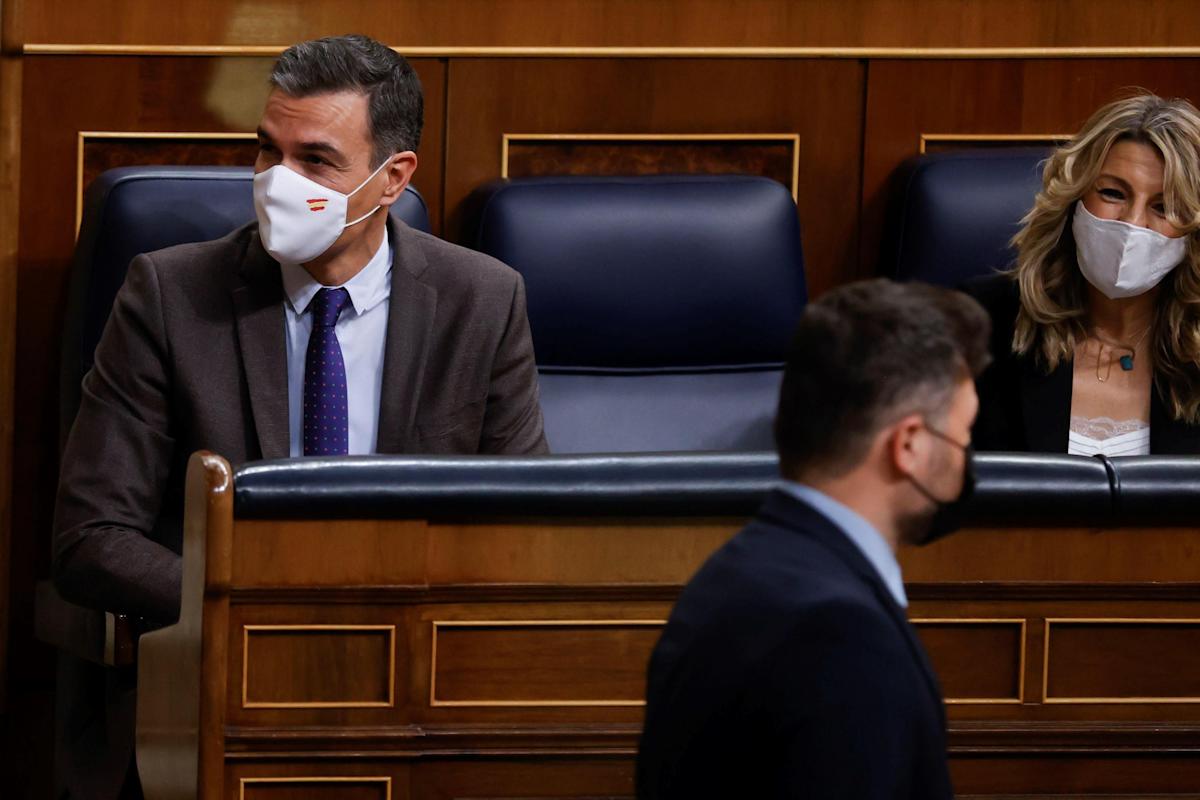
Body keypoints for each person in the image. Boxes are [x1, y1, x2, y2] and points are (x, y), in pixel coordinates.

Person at [51, 34, 547, 799]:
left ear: (393, 178)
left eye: (315, 161)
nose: (278, 182)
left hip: (414, 683)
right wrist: (262, 613)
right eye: (267, 151)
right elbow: (91, 537)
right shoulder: (170, 295)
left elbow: (524, 527)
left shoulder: (482, 301)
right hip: (221, 679)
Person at [637, 279, 990, 799]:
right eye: (963, 437)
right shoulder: (841, 636)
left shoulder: (730, 573)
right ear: (909, 445)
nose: (965, 461)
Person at [968, 93, 1200, 455]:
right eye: (1112, 193)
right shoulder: (979, 324)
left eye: (1164, 207)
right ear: (1072, 199)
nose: (1132, 224)